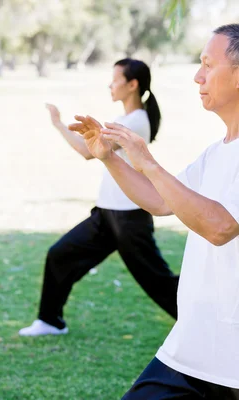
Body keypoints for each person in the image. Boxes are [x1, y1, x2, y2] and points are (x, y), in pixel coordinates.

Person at [70, 24, 239, 399]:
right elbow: (162, 200)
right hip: (195, 345)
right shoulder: (220, 149)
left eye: (208, 65)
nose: (198, 76)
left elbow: (220, 226)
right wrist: (110, 158)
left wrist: (148, 163)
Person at [19, 58, 179, 337]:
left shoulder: (136, 122)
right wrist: (61, 125)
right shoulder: (126, 120)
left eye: (116, 79)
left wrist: (59, 124)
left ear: (133, 85)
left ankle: (203, 320)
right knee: (60, 255)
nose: (110, 84)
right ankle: (50, 320)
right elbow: (90, 147)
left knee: (157, 281)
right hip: (107, 214)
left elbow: (88, 151)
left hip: (129, 218)